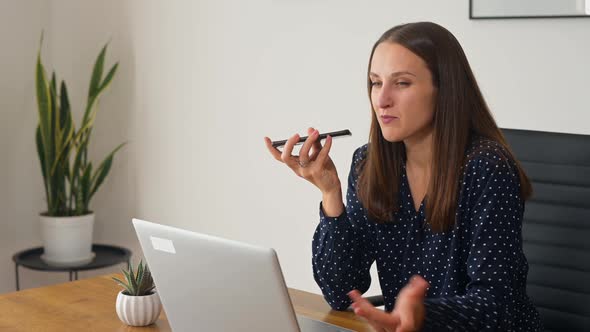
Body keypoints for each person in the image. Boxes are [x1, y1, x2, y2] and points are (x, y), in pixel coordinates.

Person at [264, 21, 542, 332]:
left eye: (402, 83)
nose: (381, 100)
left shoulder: (487, 166)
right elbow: (340, 292)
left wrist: (420, 315)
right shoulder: (369, 163)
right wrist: (331, 195)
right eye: (375, 82)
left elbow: (497, 306)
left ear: (444, 89)